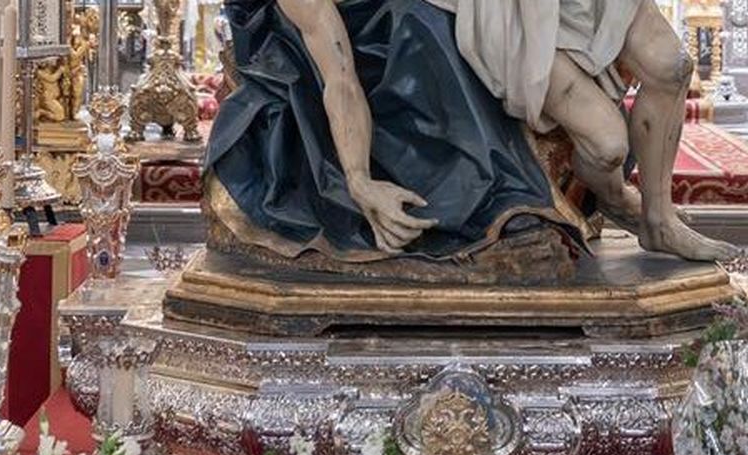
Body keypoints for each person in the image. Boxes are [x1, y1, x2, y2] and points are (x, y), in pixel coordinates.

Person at [204, 0, 587, 265]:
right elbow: (340, 79)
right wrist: (358, 179)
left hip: (383, 23)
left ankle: (497, 192)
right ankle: (481, 206)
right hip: (307, 52)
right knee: (418, 25)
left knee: (430, 20)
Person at [424, 0, 744, 262]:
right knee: (608, 148)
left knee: (672, 65)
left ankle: (660, 220)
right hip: (517, 12)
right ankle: (615, 198)